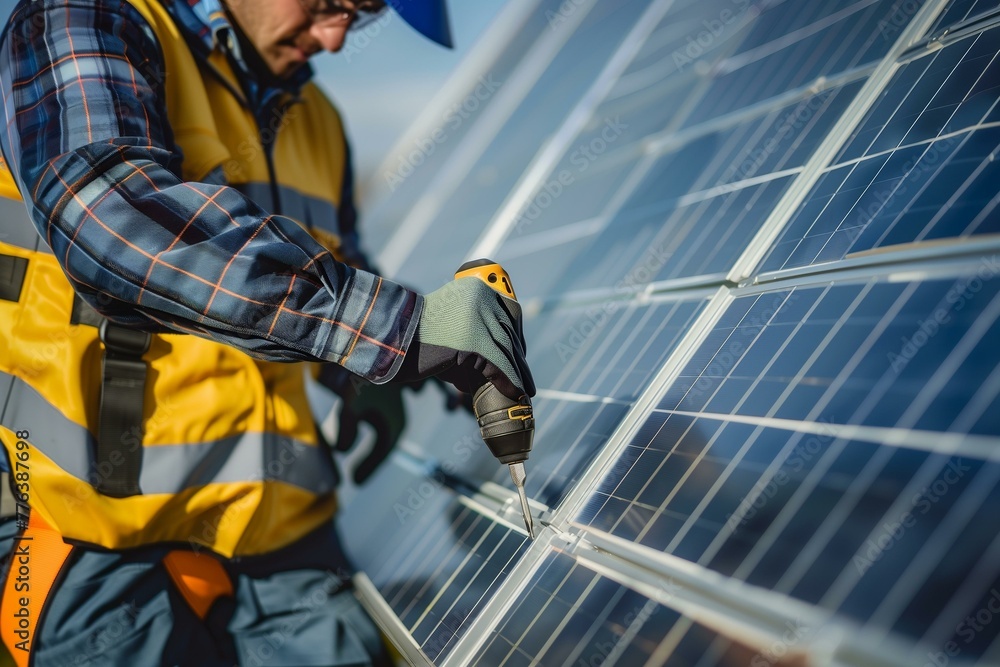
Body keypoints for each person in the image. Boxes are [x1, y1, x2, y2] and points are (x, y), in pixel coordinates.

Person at [0, 0, 535, 665]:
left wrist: (371, 371)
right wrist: (398, 330)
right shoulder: (87, 19)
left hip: (287, 538)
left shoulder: (320, 124)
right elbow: (109, 219)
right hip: (90, 538)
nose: (336, 39)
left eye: (362, 18)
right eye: (334, 3)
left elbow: (337, 271)